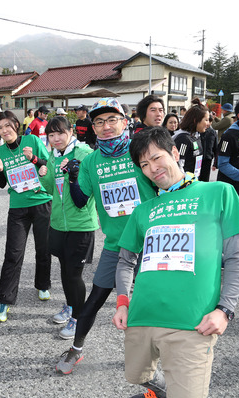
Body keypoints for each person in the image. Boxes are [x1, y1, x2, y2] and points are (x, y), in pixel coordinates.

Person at [112, 126, 239, 398]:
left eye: (156, 158)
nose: (152, 168)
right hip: (141, 318)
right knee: (136, 375)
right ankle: (162, 391)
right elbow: (125, 261)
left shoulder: (218, 192)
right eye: (144, 164)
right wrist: (122, 302)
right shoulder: (144, 210)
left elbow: (236, 257)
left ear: (175, 152)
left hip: (192, 323)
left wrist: (225, 310)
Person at [55, 98, 156, 374]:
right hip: (116, 245)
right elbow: (79, 200)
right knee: (95, 299)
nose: (106, 126)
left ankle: (153, 360)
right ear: (93, 128)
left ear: (125, 122)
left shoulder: (141, 152)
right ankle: (76, 350)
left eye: (112, 119)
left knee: (152, 302)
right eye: (99, 122)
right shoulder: (91, 161)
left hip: (153, 243)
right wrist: (74, 177)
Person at [38, 116, 98, 339]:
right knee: (64, 272)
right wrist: (42, 174)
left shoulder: (83, 153)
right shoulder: (53, 156)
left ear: (70, 132)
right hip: (58, 224)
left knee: (74, 275)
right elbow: (50, 190)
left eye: (60, 133)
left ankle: (78, 318)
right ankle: (71, 307)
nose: (55, 139)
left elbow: (89, 180)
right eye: (51, 135)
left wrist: (76, 169)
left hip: (80, 225)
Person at [0, 110, 52, 322]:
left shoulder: (32, 140)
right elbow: (1, 183)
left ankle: (43, 285)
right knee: (13, 253)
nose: (4, 130)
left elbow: (47, 165)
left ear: (16, 125)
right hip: (18, 207)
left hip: (42, 202)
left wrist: (33, 159)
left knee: (43, 249)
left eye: (8, 125)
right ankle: (5, 300)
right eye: (0, 128)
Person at [172, 102, 208, 178]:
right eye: (206, 120)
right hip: (185, 185)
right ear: (195, 120)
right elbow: (178, 164)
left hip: (194, 181)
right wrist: (185, 183)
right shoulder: (183, 139)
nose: (208, 124)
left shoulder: (196, 136)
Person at [200, 114, 219, 182]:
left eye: (209, 121)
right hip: (198, 158)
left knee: (205, 178)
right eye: (206, 121)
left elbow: (216, 148)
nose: (207, 123)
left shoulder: (213, 132)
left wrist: (215, 163)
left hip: (208, 158)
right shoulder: (199, 131)